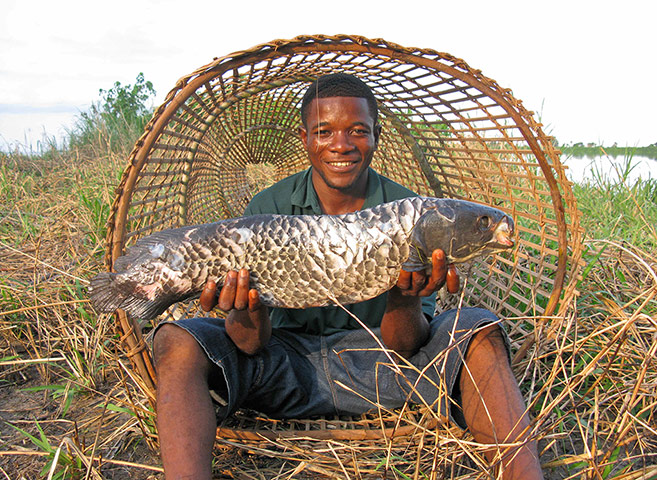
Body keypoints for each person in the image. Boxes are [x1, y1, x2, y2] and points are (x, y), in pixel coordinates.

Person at [153, 73, 544, 479]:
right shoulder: (267, 205)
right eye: (324, 132)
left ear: (376, 135)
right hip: (285, 363)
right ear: (305, 138)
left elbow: (405, 346)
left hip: (380, 368)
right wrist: (241, 308)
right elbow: (249, 344)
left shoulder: (410, 212)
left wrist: (404, 297)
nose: (341, 145)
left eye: (357, 131)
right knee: (176, 338)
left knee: (479, 329)